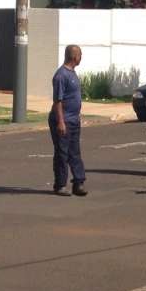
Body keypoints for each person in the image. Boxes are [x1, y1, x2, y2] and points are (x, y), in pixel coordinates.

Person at [48, 45, 87, 197]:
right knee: (62, 153)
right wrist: (60, 122)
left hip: (74, 120)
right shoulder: (61, 75)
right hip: (63, 120)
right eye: (80, 55)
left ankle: (78, 182)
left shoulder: (72, 73)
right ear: (74, 56)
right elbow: (58, 101)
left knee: (75, 152)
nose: (81, 58)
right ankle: (60, 185)